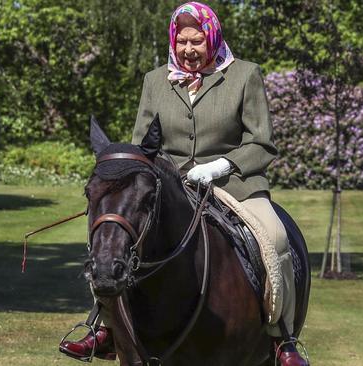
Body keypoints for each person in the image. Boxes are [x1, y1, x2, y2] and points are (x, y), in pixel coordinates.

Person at [60, 2, 308, 365]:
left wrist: (220, 165)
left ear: (212, 38)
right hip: (169, 185)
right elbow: (144, 145)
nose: (189, 50)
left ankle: (281, 338)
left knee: (276, 236)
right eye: (182, 42)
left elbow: (262, 143)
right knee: (118, 235)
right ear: (173, 41)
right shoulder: (155, 80)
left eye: (198, 41)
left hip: (234, 184)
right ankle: (105, 326)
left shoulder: (244, 75)